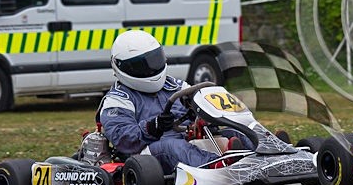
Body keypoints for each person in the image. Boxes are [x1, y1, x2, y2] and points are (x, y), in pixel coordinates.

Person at [99, 30, 246, 173]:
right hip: (147, 155)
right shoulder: (118, 99)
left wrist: (203, 115)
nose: (150, 69)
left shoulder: (176, 86)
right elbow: (122, 138)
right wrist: (152, 127)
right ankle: (219, 167)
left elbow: (203, 105)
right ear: (121, 66)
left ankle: (256, 155)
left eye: (153, 60)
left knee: (234, 132)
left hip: (187, 142)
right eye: (140, 65)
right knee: (172, 146)